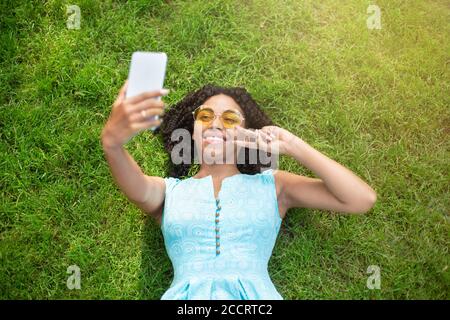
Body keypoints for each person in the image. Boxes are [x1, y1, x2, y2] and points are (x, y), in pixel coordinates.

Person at [101, 81, 377, 299]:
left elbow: (360, 199)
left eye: (230, 119)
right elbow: (136, 185)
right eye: (205, 116)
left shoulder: (275, 186)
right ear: (192, 129)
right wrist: (112, 143)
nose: (216, 124)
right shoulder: (168, 193)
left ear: (248, 134)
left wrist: (292, 145)